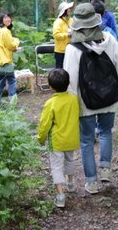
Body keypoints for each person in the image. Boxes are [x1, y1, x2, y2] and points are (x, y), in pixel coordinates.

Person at [63, 3, 118, 194]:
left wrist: (70, 105)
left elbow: (69, 79)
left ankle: (92, 182)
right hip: (109, 97)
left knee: (87, 141)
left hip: (85, 102)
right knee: (106, 132)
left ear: (77, 25)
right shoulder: (110, 39)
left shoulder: (72, 49)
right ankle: (105, 169)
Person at [37, 68, 80, 208]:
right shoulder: (74, 99)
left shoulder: (51, 103)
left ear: (50, 86)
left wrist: (41, 138)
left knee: (56, 166)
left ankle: (60, 195)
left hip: (57, 141)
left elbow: (44, 124)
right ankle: (71, 182)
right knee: (70, 159)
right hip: (72, 138)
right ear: (68, 83)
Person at [0, 12, 20, 103]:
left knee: (1, 82)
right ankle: (13, 100)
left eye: (9, 17)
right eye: (5, 18)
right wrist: (16, 41)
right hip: (6, 61)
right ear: (1, 20)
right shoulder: (5, 31)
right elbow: (11, 45)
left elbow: (3, 45)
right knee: (12, 81)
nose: (8, 19)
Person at [53, 1, 74, 69]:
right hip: (60, 51)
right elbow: (56, 35)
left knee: (70, 69)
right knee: (59, 71)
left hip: (71, 49)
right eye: (68, 8)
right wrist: (67, 35)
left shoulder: (71, 20)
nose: (70, 9)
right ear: (64, 10)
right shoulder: (58, 22)